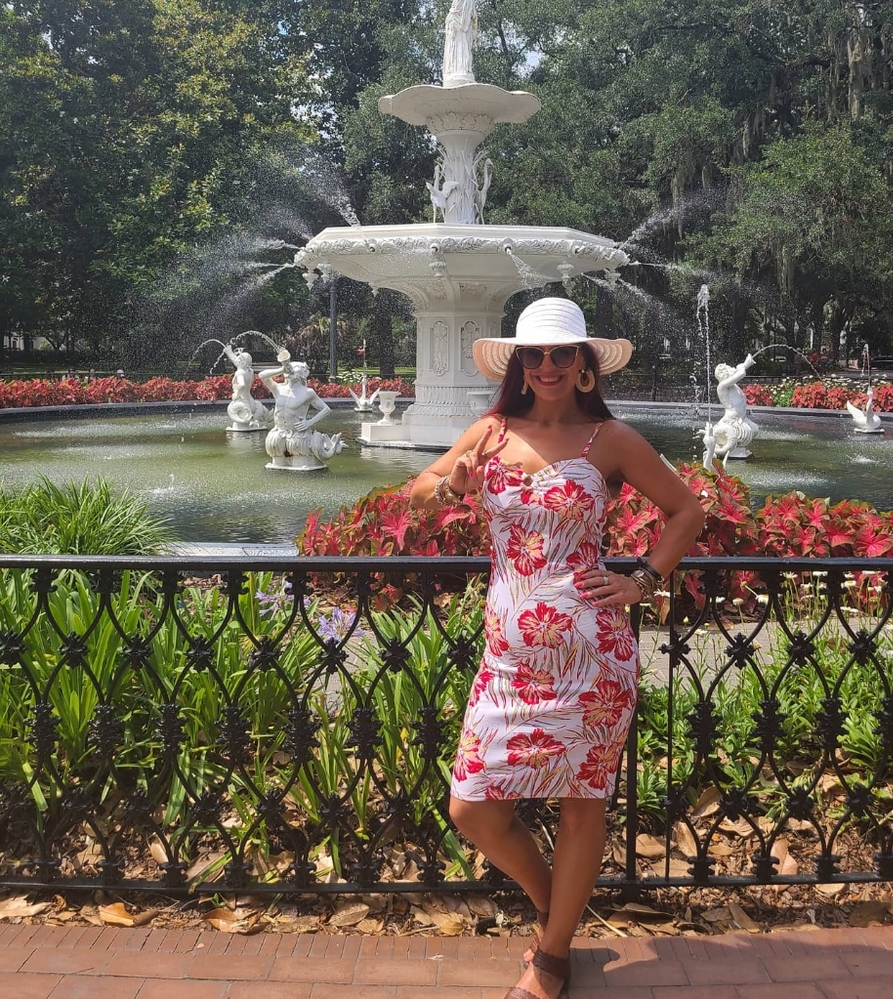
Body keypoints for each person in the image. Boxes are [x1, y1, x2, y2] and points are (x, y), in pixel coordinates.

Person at [410, 298, 705, 999]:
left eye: (561, 354)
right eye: (534, 355)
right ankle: (556, 908)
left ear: (583, 366)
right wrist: (450, 482)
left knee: (583, 803)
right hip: (508, 659)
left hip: (593, 656)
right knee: (472, 807)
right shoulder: (490, 432)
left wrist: (644, 580)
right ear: (518, 365)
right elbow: (417, 494)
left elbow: (688, 509)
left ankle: (552, 954)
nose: (546, 365)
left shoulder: (610, 439)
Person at [258, 350, 341, 468]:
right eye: (289, 366)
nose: (290, 368)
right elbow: (262, 375)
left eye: (295, 366)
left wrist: (309, 423)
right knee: (277, 469)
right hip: (278, 436)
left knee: (300, 469)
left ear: (303, 373)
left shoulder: (307, 393)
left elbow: (326, 409)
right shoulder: (278, 389)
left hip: (298, 438)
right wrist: (281, 370)